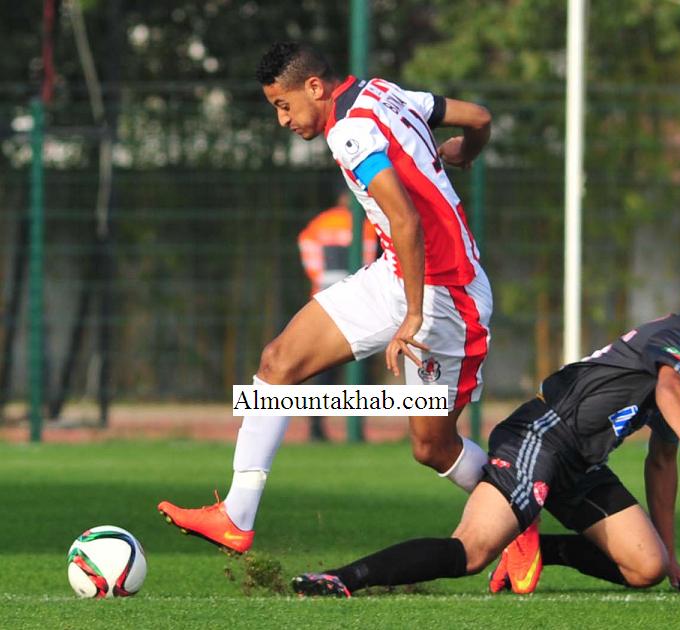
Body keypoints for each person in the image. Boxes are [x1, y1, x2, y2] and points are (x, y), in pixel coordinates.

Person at [157, 42, 495, 555]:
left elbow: (404, 218)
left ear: (315, 87)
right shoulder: (382, 91)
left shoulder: (350, 132)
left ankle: (515, 511)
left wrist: (413, 314)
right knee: (278, 362)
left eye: (284, 105)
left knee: (432, 447)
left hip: (448, 294)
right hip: (398, 272)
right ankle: (236, 515)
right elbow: (479, 117)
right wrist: (464, 151)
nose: (282, 120)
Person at [290, 250, 680, 598]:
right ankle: (345, 577)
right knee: (471, 551)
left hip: (582, 462)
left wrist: (671, 552)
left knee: (646, 567)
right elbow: (668, 384)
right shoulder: (675, 337)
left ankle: (536, 545)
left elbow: (661, 463)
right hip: (542, 436)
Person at [297, 189, 378, 441]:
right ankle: (356, 429)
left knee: (322, 369)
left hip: (323, 300)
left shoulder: (320, 223)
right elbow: (368, 262)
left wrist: (318, 276)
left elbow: (306, 244)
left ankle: (316, 427)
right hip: (355, 303)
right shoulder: (365, 226)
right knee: (358, 366)